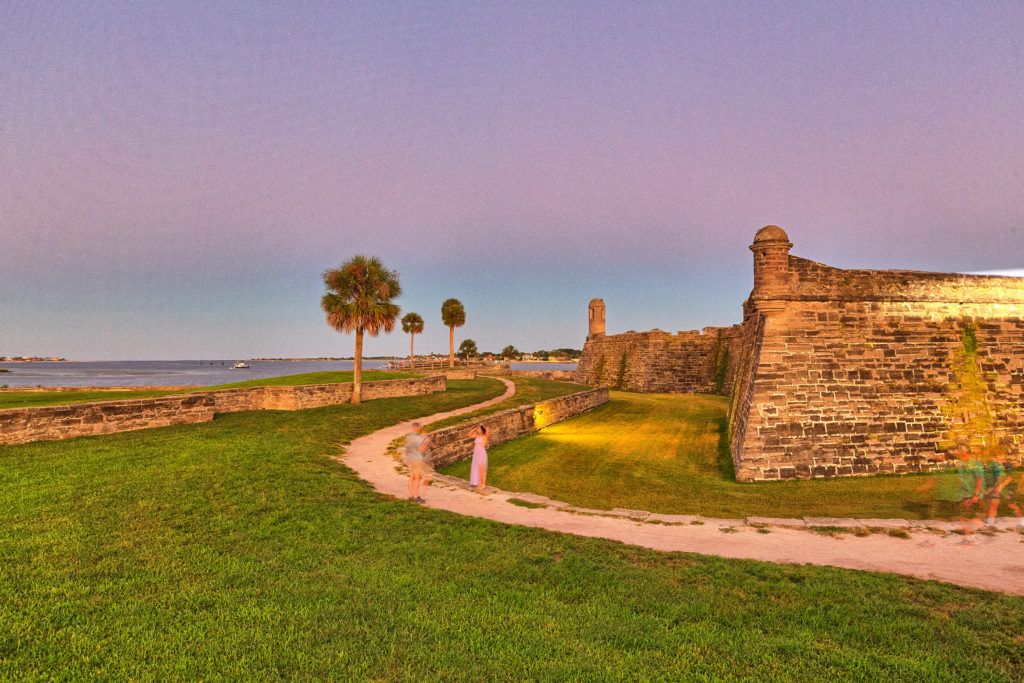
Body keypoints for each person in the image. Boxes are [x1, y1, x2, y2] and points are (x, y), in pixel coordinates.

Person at [405, 422, 432, 503]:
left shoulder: (408, 436)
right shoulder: (420, 438)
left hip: (410, 458)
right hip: (417, 459)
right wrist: (427, 441)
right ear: (418, 428)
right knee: (417, 478)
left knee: (411, 477)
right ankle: (416, 497)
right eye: (420, 428)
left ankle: (410, 496)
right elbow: (422, 450)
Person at [469, 424, 489, 493]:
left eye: (479, 428)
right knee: (477, 468)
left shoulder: (484, 437)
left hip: (481, 454)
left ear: (482, 430)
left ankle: (483, 484)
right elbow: (468, 435)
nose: (478, 429)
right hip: (476, 454)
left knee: (482, 469)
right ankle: (479, 483)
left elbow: (483, 445)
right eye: (478, 428)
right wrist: (474, 430)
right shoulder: (477, 436)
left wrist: (484, 428)